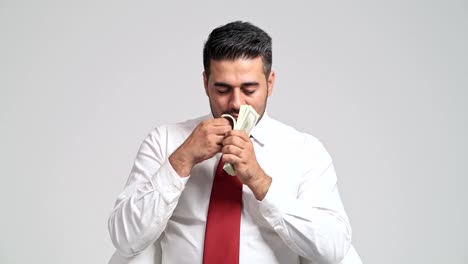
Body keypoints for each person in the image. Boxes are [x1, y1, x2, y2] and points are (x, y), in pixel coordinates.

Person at [108, 21, 362, 264]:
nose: (236, 103)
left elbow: (334, 250)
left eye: (249, 90)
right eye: (222, 89)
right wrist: (182, 159)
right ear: (205, 83)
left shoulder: (304, 151)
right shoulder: (165, 141)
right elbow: (126, 240)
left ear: (270, 83)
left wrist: (260, 181)